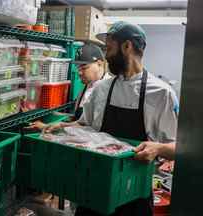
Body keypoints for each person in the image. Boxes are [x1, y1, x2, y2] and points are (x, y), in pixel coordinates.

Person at [45, 21, 179, 216]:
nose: (106, 56)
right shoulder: (102, 89)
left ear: (127, 46)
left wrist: (158, 148)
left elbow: (177, 148)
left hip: (133, 193)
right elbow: (84, 125)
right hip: (93, 189)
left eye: (108, 48)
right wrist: (61, 128)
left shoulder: (161, 93)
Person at [27, 43, 110, 130]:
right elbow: (79, 119)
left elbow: (91, 128)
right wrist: (52, 117)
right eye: (78, 67)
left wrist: (49, 126)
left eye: (84, 67)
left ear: (99, 64)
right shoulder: (88, 85)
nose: (79, 72)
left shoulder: (105, 90)